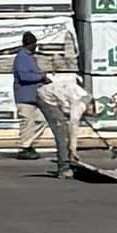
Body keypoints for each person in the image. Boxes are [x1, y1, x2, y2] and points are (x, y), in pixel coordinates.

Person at [9, 25, 80, 177]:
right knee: (27, 121)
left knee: (40, 120)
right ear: (29, 44)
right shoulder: (22, 57)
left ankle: (31, 144)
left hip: (36, 96)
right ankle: (25, 147)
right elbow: (24, 76)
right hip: (24, 96)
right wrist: (41, 77)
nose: (35, 47)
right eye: (34, 44)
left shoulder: (30, 57)